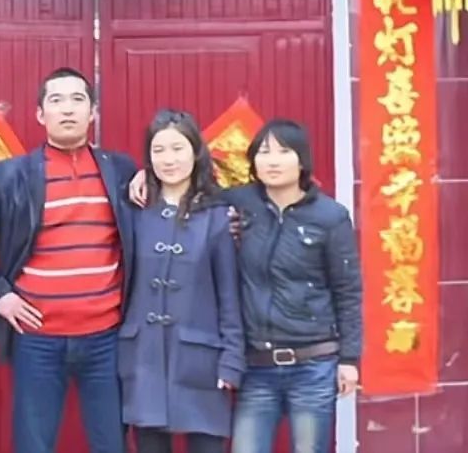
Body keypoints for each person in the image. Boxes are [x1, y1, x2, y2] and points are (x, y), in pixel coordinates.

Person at [0, 67, 138, 453]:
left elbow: (173, 202)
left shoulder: (122, 171)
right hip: (37, 340)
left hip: (106, 338)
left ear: (92, 112)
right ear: (40, 114)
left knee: (112, 443)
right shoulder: (10, 177)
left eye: (77, 100)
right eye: (56, 100)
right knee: (33, 444)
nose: (67, 109)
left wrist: (230, 218)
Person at [225, 119, 362, 453]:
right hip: (257, 365)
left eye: (283, 152)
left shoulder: (330, 216)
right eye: (264, 152)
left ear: (302, 160)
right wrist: (143, 178)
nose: (272, 161)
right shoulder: (240, 204)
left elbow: (348, 291)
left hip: (313, 365)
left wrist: (350, 359)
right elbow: (189, 193)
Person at [118, 109, 245, 453]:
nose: (168, 159)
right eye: (158, 150)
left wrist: (232, 359)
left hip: (201, 359)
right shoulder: (134, 210)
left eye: (178, 148)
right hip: (143, 356)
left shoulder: (218, 215)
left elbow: (229, 296)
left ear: (195, 152)